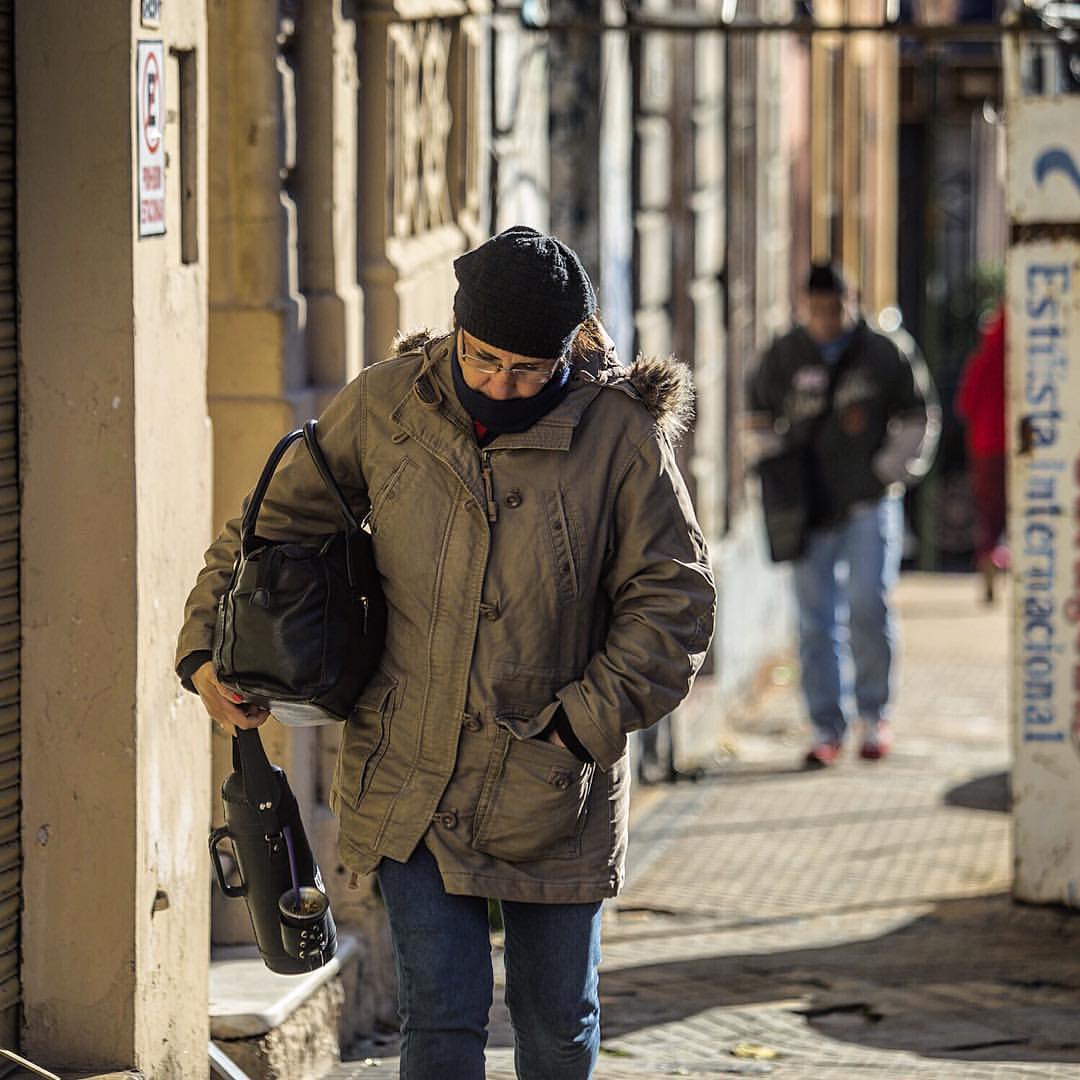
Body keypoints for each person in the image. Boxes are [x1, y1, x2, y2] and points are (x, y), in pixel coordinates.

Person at [176, 225, 716, 1079]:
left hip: (554, 783)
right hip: (410, 773)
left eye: (529, 368)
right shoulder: (387, 404)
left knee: (556, 1027)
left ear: (568, 352)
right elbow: (268, 526)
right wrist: (209, 643)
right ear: (457, 329)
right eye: (483, 358)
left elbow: (674, 604)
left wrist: (579, 729)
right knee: (441, 1017)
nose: (503, 383)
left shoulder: (621, 438)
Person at [746, 262, 939, 768]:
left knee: (867, 603)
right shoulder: (785, 354)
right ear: (804, 305)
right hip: (810, 509)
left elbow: (920, 415)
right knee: (815, 620)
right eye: (819, 309)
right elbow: (756, 415)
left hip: (868, 502)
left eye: (837, 308)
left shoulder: (883, 351)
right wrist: (781, 469)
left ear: (853, 302)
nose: (828, 319)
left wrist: (887, 471)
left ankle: (874, 716)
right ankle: (825, 726)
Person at [956, 302, 1007, 603]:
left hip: (984, 446)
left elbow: (965, 404)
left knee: (989, 516)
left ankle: (989, 555)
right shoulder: (1022, 360)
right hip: (1019, 448)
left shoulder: (982, 356)